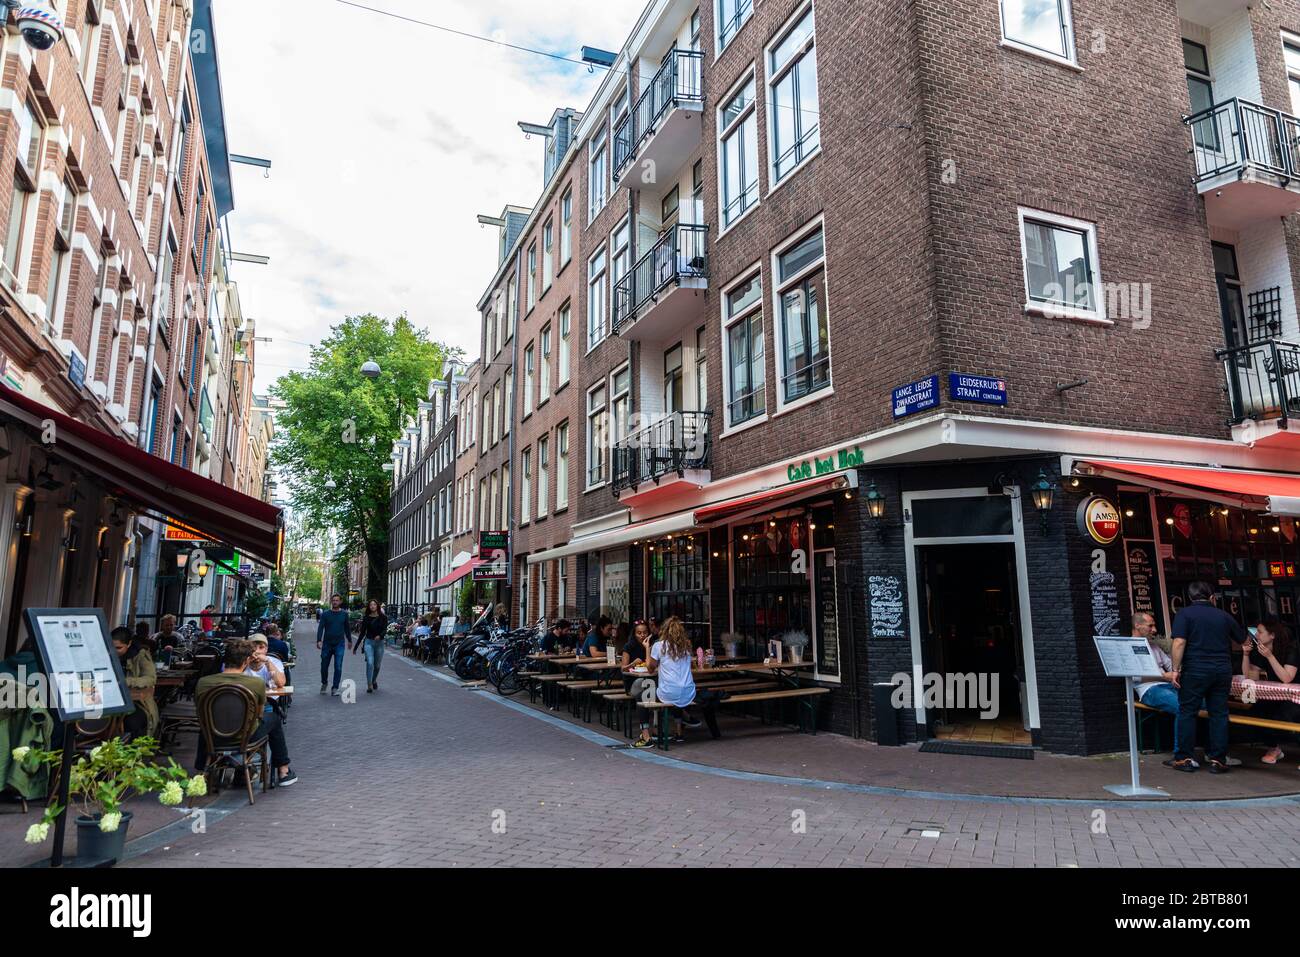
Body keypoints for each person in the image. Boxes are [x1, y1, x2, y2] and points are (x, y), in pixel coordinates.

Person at [195, 640, 297, 788]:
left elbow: (200, 712)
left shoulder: (203, 683)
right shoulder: (255, 684)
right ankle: (283, 770)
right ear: (246, 661)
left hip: (213, 736)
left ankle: (202, 772)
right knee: (274, 718)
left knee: (206, 724)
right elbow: (259, 714)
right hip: (245, 737)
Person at [1166, 581, 1242, 774]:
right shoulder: (1224, 615)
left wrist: (1175, 669)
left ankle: (1184, 758)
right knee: (1219, 714)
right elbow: (1243, 640)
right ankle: (1219, 759)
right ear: (1211, 597)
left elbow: (1179, 642)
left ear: (1190, 597)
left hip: (1195, 670)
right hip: (1222, 670)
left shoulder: (1184, 614)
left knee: (1188, 712)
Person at [647, 616, 720, 742]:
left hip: (668, 693)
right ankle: (679, 731)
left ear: (664, 630)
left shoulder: (659, 646)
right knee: (677, 692)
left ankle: (657, 730)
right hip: (688, 693)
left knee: (650, 694)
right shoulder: (686, 646)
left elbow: (650, 669)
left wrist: (646, 649)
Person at [1241, 619, 1300, 766]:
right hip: (1278, 694)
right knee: (1256, 710)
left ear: (1272, 635)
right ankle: (1274, 748)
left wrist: (1270, 657)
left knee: (1287, 715)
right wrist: (1246, 655)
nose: (1257, 636)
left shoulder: (1290, 649)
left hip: (1296, 696)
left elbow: (1287, 678)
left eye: (1260, 632)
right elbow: (1249, 676)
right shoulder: (1261, 650)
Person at [1130, 612, 1182, 757]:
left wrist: (1177, 669)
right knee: (1182, 707)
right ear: (1137, 625)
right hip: (1149, 690)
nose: (1154, 630)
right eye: (1150, 625)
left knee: (1206, 703)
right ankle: (1181, 755)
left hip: (1168, 685)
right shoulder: (1130, 646)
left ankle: (1212, 752)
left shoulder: (1154, 646)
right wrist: (1165, 676)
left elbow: (1170, 664)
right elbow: (1135, 677)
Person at [112, 627, 158, 740]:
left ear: (129, 644)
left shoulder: (140, 655)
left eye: (119, 648)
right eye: (111, 647)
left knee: (131, 722)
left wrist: (127, 681)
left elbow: (150, 678)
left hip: (136, 703)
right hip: (111, 701)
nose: (114, 651)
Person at [623, 620, 654, 748]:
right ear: (634, 634)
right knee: (648, 686)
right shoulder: (629, 646)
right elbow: (623, 669)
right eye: (639, 633)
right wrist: (633, 664)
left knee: (651, 686)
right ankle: (647, 733)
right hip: (632, 683)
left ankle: (657, 729)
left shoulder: (652, 645)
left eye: (645, 632)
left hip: (648, 682)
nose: (642, 635)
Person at [352, 599, 389, 693]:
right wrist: (356, 647)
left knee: (377, 666)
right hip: (369, 643)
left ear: (377, 606)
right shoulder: (366, 618)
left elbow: (385, 630)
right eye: (371, 605)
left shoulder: (383, 617)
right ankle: (369, 685)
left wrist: (380, 636)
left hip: (379, 644)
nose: (372, 606)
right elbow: (362, 633)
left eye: (374, 604)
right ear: (369, 607)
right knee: (370, 663)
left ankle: (373, 680)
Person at [316, 594, 350, 696]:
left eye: (337, 600)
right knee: (324, 666)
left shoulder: (344, 614)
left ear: (340, 602)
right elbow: (321, 627)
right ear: (331, 601)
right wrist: (319, 640)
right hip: (327, 644)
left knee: (338, 666)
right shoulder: (326, 614)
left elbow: (347, 628)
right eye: (333, 600)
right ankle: (324, 682)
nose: (335, 602)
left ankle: (335, 687)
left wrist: (349, 640)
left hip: (339, 644)